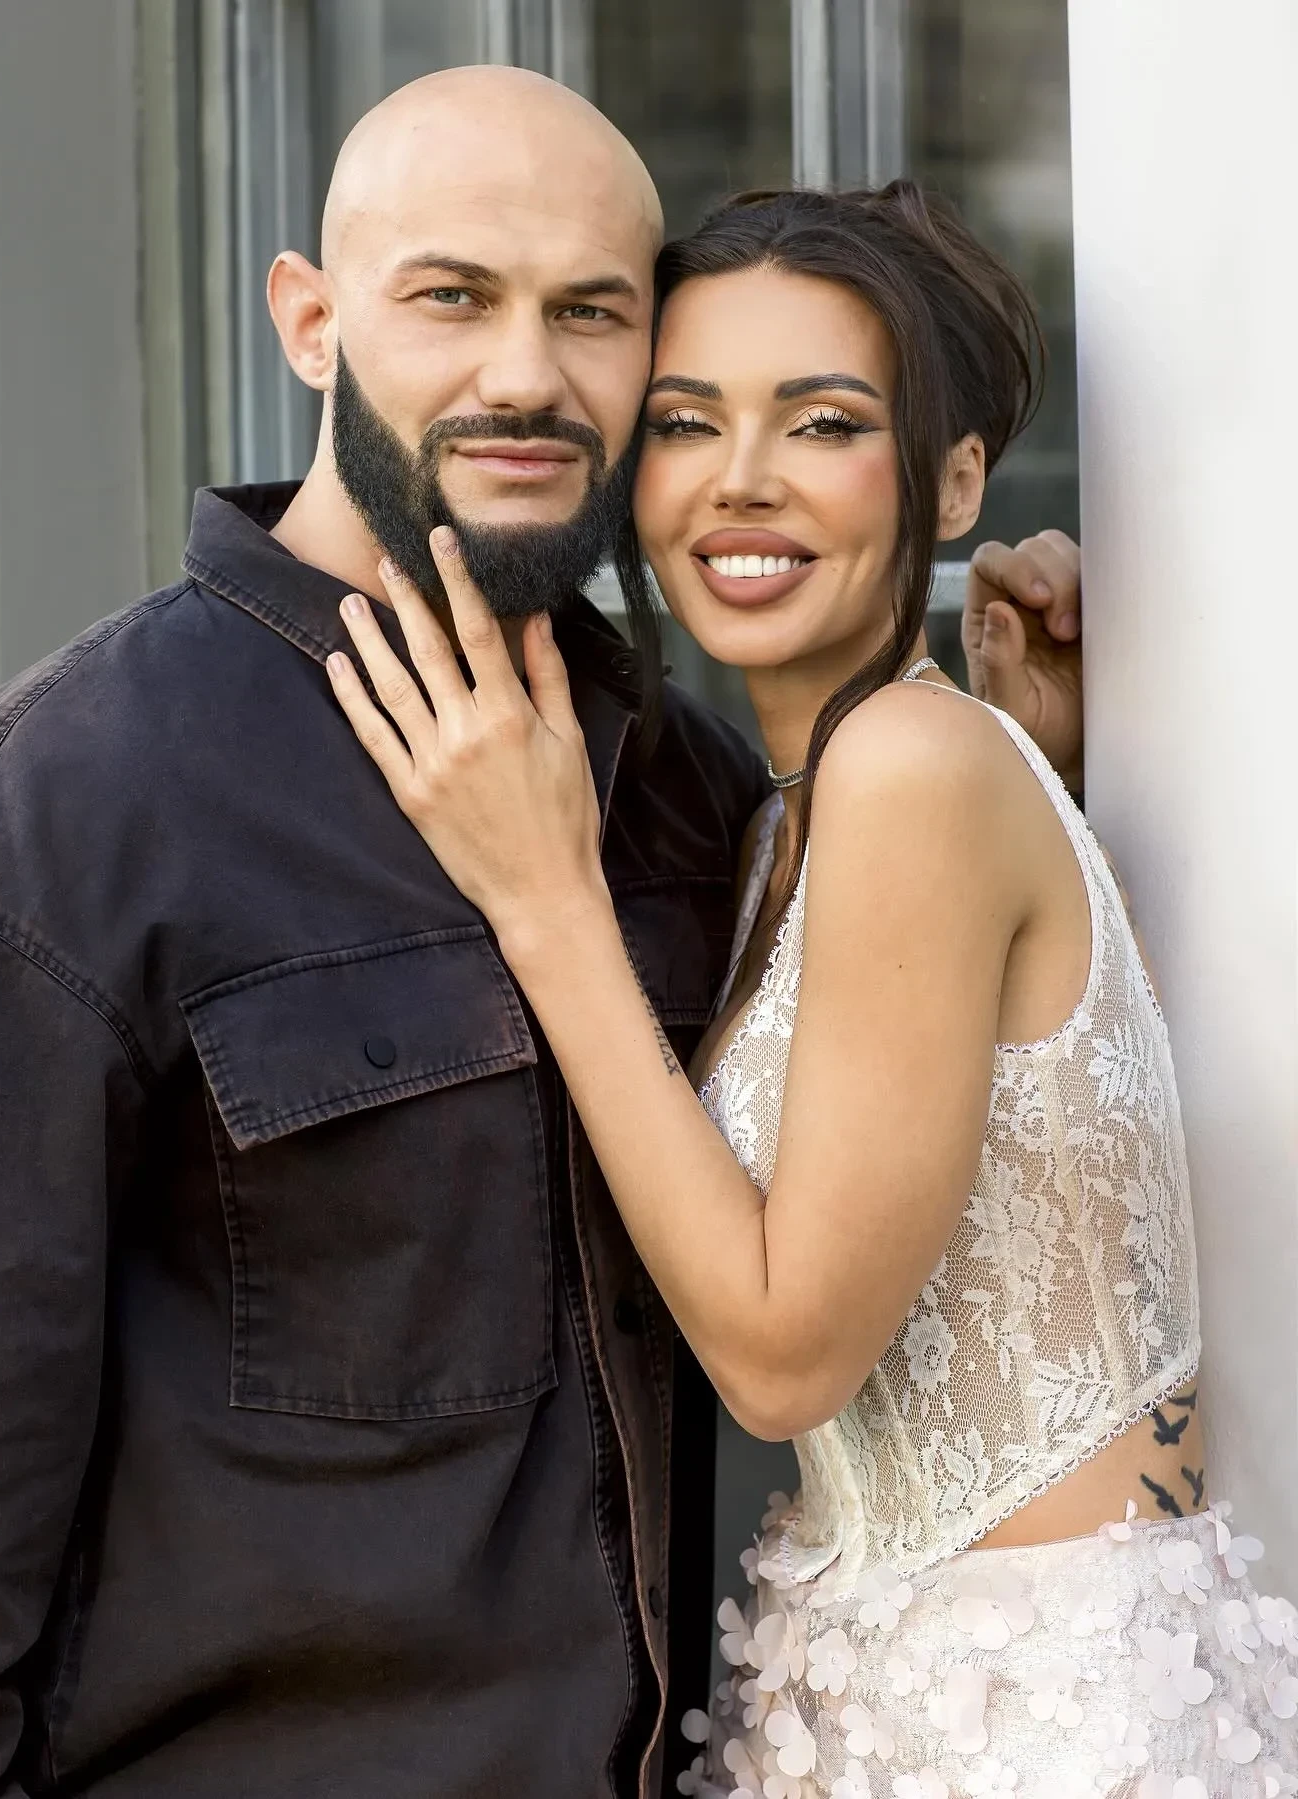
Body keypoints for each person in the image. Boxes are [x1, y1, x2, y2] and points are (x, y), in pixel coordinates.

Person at [0, 69, 1083, 1799]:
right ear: (310, 321)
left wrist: (1046, 763)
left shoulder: (689, 789)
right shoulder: (46, 832)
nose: (526, 375)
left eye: (590, 311)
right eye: (452, 295)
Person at [329, 182, 1295, 1795]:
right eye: (686, 423)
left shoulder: (913, 765)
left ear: (956, 477)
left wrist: (545, 895)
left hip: (1038, 1733)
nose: (741, 480)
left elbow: (785, 1359)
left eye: (825, 421)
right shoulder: (817, 803)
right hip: (918, 1696)